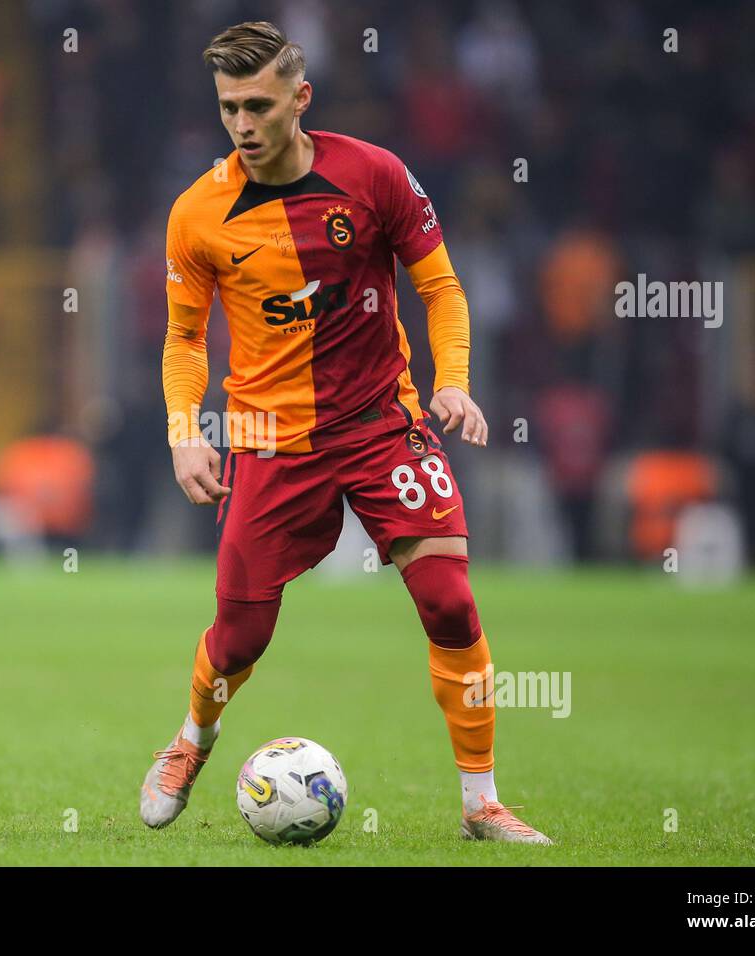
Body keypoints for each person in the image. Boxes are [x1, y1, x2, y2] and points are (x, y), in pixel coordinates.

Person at [141, 21, 551, 844]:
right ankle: (192, 741)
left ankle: (481, 804)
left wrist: (455, 382)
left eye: (259, 104)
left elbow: (440, 287)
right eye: (229, 108)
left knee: (450, 602)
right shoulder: (197, 214)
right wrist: (187, 433)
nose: (244, 124)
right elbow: (184, 338)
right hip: (267, 437)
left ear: (302, 98)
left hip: (379, 423)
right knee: (240, 635)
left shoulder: (375, 176)